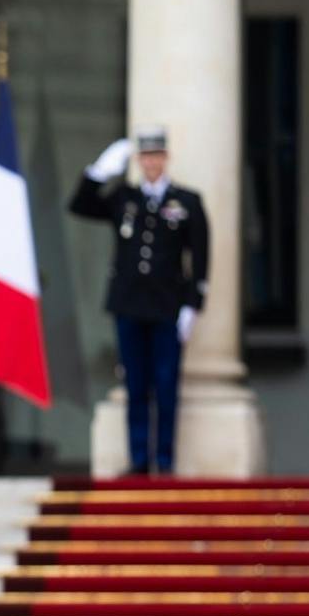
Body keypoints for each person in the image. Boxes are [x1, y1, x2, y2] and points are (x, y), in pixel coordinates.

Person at [68, 126, 209, 476]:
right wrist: (98, 173)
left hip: (167, 306)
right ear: (139, 160)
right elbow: (80, 205)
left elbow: (201, 255)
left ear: (166, 157)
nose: (151, 162)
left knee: (165, 385)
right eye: (145, 156)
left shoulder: (186, 202)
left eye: (156, 155)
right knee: (135, 385)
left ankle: (164, 460)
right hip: (129, 304)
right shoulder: (124, 198)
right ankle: (139, 460)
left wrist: (193, 304)